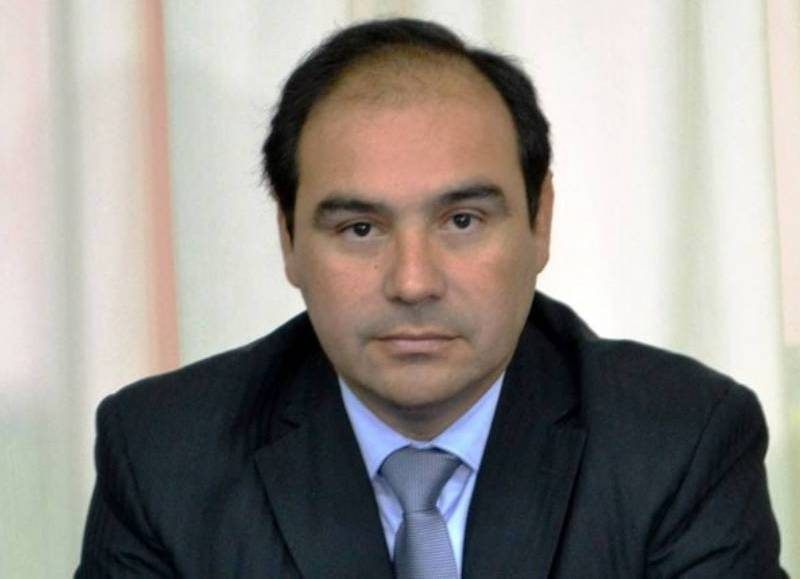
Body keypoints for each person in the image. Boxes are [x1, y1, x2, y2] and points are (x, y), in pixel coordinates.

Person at [76, 17, 787, 578]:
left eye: (462, 221)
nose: (413, 282)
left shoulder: (677, 445)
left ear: (540, 223)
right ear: (288, 238)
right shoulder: (166, 457)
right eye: (359, 229)